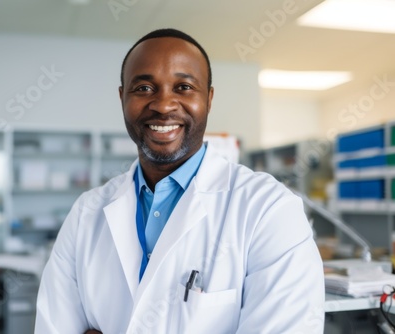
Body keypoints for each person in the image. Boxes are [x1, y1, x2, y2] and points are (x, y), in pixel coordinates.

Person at [35, 28, 325, 334]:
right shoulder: (86, 213)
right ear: (123, 98)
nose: (163, 105)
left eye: (184, 87)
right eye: (144, 88)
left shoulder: (269, 209)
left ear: (208, 99)